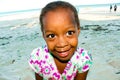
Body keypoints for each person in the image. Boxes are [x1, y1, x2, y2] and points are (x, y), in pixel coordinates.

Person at [29, 1, 92, 80]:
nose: (62, 44)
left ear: (78, 31)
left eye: (69, 33)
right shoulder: (38, 58)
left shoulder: (82, 60)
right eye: (51, 36)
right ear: (44, 36)